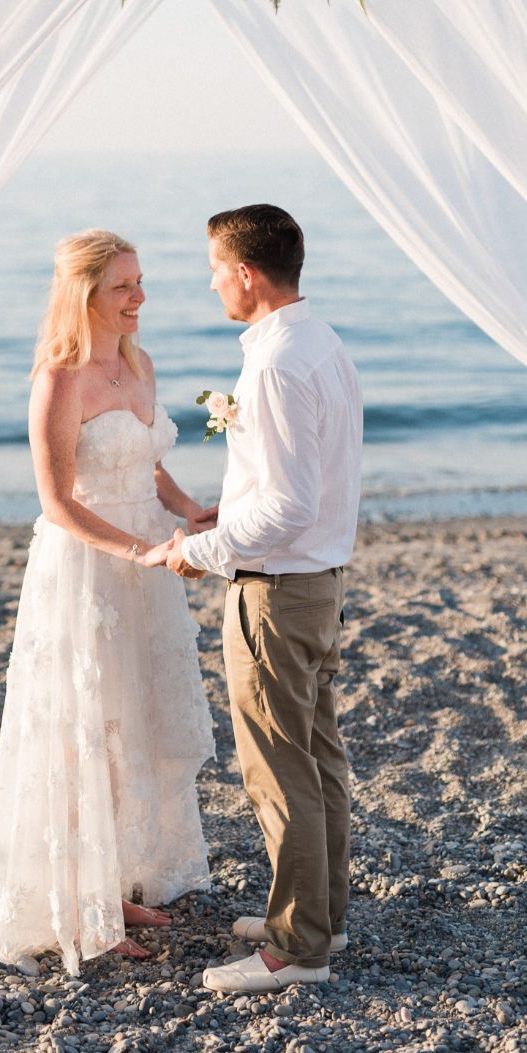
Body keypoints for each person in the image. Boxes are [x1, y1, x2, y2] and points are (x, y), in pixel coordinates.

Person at [0, 229, 214, 974]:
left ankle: (106, 883)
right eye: (123, 287)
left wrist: (191, 512)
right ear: (86, 296)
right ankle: (79, 908)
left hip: (150, 566)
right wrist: (137, 550)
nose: (140, 298)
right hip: (90, 573)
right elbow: (57, 504)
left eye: (140, 282)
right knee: (84, 729)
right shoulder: (59, 379)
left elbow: (151, 461)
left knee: (132, 722)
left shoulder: (139, 363)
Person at [146, 204, 363, 993]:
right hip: (315, 586)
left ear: (245, 272)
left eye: (214, 268)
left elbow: (287, 508)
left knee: (280, 772)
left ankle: (296, 948)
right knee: (317, 757)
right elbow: (301, 491)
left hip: (274, 594)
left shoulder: (274, 363)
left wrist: (196, 551)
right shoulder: (319, 341)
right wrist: (221, 518)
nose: (209, 283)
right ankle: (323, 917)